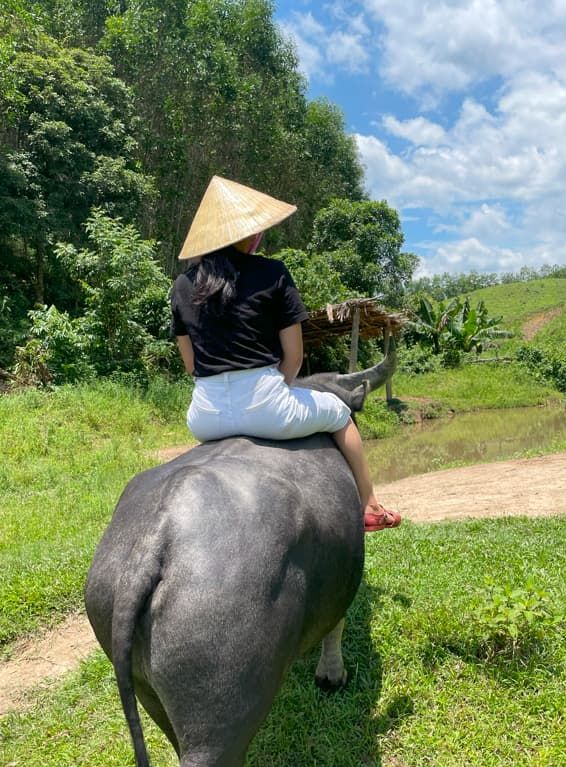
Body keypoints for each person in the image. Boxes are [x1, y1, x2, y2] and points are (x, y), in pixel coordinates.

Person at [170, 175, 401, 532]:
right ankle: (369, 505)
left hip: (205, 416)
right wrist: (275, 390)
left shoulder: (182, 286)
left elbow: (190, 365)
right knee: (340, 414)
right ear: (248, 233)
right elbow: (293, 355)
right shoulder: (272, 273)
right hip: (266, 405)